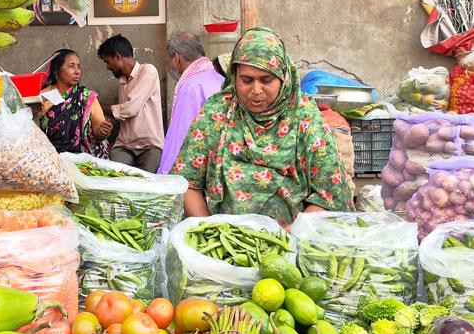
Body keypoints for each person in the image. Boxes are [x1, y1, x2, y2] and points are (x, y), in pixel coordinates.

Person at [171, 27, 354, 225]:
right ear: (234, 76)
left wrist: (282, 240)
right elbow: (187, 182)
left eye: (266, 80)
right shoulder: (217, 113)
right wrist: (211, 231)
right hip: (222, 246)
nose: (256, 90)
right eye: (246, 80)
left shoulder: (304, 119)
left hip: (290, 245)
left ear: (283, 77)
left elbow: (331, 196)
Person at [158, 32, 225, 174]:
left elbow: (179, 138)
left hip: (196, 171)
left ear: (176, 58)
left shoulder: (190, 87)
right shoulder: (220, 79)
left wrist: (164, 176)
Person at [98, 34, 164, 173]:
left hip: (149, 146)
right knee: (117, 177)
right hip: (124, 146)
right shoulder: (122, 81)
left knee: (147, 185)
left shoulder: (148, 71)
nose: (108, 67)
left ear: (117, 56)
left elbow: (129, 109)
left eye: (107, 61)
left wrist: (98, 105)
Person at [37, 48, 112, 157]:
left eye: (79, 66)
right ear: (56, 71)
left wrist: (103, 131)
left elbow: (98, 130)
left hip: (85, 158)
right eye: (71, 66)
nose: (77, 71)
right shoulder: (42, 96)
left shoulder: (87, 97)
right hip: (52, 157)